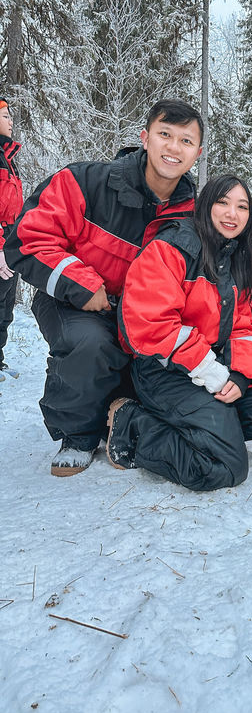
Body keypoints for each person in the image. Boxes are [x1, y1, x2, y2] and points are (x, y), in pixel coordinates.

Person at [4, 98, 202, 476]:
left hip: (138, 313)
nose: (174, 148)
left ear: (197, 152)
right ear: (145, 138)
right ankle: (77, 433)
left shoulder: (192, 214)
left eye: (186, 141)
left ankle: (120, 413)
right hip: (68, 299)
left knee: (157, 359)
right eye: (165, 135)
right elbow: (27, 240)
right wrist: (85, 287)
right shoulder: (85, 181)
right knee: (93, 344)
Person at [107, 175, 252, 492]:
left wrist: (240, 375)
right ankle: (133, 425)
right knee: (225, 469)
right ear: (205, 205)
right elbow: (152, 325)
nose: (232, 214)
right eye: (222, 202)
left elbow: (242, 325)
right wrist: (210, 372)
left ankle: (210, 428)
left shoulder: (236, 257)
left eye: (242, 206)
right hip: (163, 369)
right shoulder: (171, 249)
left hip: (214, 362)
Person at [0, 95, 23, 382]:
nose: (11, 121)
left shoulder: (8, 159)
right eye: (6, 116)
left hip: (10, 245)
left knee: (5, 308)